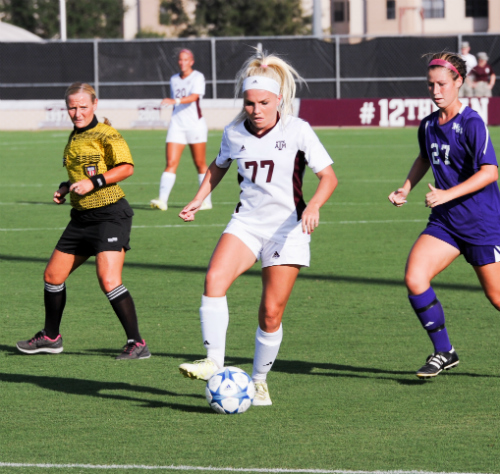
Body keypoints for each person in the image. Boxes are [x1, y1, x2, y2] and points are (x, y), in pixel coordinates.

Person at [177, 52, 338, 405]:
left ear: (278, 99)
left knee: (270, 312)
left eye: (264, 102)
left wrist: (314, 205)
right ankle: (213, 361)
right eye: (249, 103)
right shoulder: (234, 132)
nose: (256, 110)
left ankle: (260, 380)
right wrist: (198, 197)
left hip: (287, 230)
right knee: (214, 280)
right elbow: (218, 167)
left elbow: (328, 177)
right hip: (247, 223)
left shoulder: (298, 130)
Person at [16, 82, 151, 360]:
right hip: (80, 218)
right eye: (72, 107)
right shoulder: (75, 137)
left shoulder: (107, 134)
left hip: (110, 215)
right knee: (53, 276)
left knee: (109, 280)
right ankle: (51, 337)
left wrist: (94, 182)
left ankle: (137, 343)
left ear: (95, 104)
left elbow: (126, 168)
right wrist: (66, 187)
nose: (77, 113)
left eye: (83, 107)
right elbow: (81, 174)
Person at [388, 52, 500, 379]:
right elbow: (425, 158)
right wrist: (406, 188)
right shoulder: (428, 125)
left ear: (458, 83)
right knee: (415, 278)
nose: (436, 91)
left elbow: (490, 171)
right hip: (446, 224)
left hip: (482, 224)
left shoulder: (472, 122)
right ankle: (444, 351)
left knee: (497, 298)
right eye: (430, 84)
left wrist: (446, 194)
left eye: (442, 84)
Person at [150, 49, 211, 211]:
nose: (182, 62)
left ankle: (206, 201)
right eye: (180, 60)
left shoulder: (198, 77)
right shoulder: (174, 79)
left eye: (186, 60)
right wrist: (173, 102)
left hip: (195, 125)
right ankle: (162, 200)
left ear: (192, 61)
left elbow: (194, 97)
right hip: (177, 125)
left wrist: (174, 100)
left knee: (200, 163)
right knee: (170, 162)